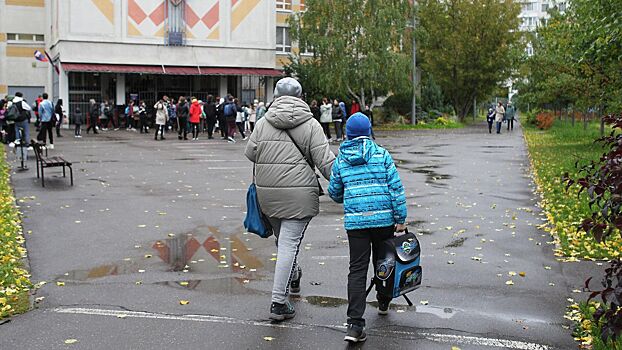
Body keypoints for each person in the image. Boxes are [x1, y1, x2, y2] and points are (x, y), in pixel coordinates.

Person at [245, 77, 335, 322]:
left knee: (284, 241)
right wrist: (345, 184)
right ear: (301, 96)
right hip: (299, 196)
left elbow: (250, 152)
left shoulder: (263, 122)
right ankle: (278, 302)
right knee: (288, 244)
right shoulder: (312, 125)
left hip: (268, 196)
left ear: (275, 96)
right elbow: (325, 163)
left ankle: (293, 276)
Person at [327, 112, 408, 343]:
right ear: (369, 131)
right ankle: (383, 301)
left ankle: (354, 324)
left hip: (357, 224)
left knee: (357, 269)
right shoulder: (382, 154)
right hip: (384, 221)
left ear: (348, 134)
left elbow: (334, 192)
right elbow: (396, 188)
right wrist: (400, 218)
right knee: (383, 262)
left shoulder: (341, 158)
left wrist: (349, 194)